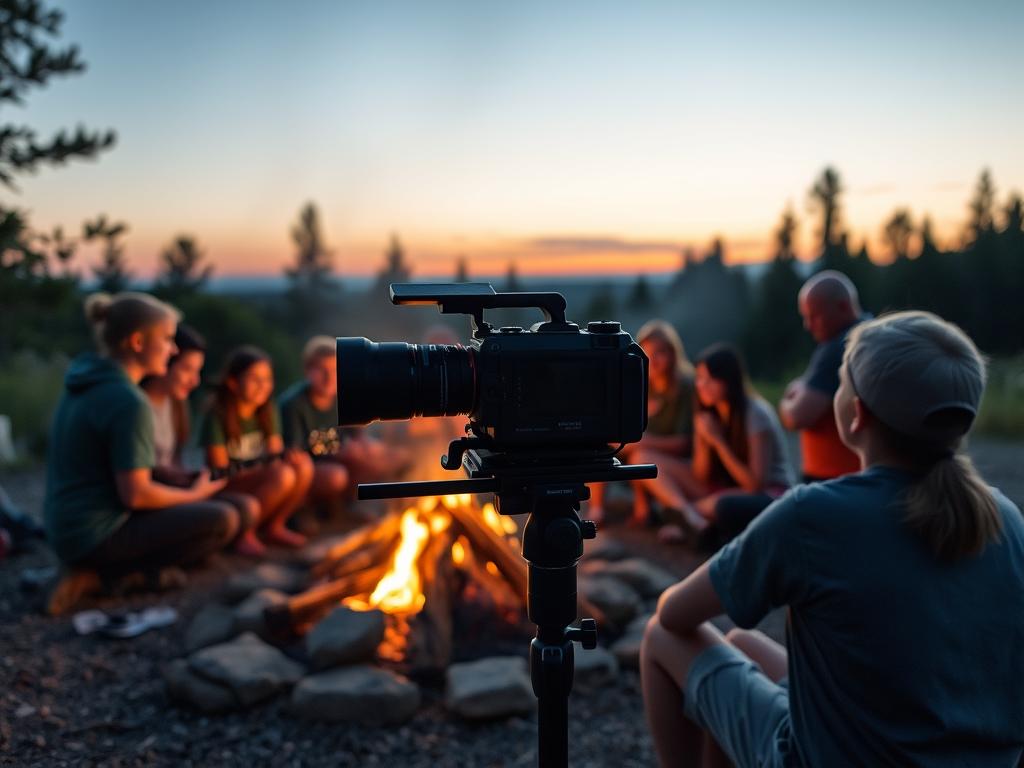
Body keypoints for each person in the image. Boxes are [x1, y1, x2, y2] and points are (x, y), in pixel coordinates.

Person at [641, 311, 1024, 767]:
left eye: (841, 381)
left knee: (658, 634)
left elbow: (677, 612)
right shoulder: (1005, 517)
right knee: (742, 643)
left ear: (856, 413)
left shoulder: (813, 516)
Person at [44, 293, 234, 615]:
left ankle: (100, 571)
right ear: (137, 341)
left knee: (220, 519)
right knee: (221, 520)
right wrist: (194, 495)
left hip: (64, 530)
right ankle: (103, 578)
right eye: (167, 339)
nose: (173, 349)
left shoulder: (84, 380)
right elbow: (136, 495)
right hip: (96, 534)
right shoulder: (129, 401)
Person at [635, 344, 792, 544]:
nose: (702, 385)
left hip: (768, 494)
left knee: (720, 505)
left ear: (728, 380)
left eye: (710, 379)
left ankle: (690, 519)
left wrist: (717, 441)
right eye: (699, 378)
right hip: (725, 487)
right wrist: (704, 440)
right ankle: (693, 518)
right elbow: (702, 476)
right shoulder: (709, 413)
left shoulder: (756, 415)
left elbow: (755, 484)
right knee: (643, 459)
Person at [140, 325, 261, 553]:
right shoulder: (137, 408)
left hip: (172, 490)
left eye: (198, 372)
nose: (195, 381)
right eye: (187, 369)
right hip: (151, 501)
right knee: (225, 518)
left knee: (247, 508)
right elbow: (140, 484)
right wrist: (193, 493)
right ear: (164, 360)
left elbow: (173, 463)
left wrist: (192, 478)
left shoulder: (176, 405)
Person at [200, 345, 313, 550]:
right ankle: (245, 531)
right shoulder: (218, 414)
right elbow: (220, 471)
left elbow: (274, 453)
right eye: (254, 379)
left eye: (267, 379)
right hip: (224, 486)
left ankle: (274, 526)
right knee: (283, 475)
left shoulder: (267, 411)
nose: (263, 385)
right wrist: (265, 468)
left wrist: (286, 458)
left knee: (302, 466)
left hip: (255, 476)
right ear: (233, 383)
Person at [588, 320, 695, 525]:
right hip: (641, 451)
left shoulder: (686, 386)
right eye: (648, 354)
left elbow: (685, 443)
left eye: (660, 353)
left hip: (675, 460)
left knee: (639, 453)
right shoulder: (640, 382)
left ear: (673, 353)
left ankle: (645, 508)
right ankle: (597, 507)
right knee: (603, 446)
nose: (654, 361)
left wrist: (643, 442)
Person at [779, 270, 865, 481]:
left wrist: (786, 401)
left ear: (843, 307)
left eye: (814, 317)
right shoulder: (869, 335)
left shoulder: (839, 348)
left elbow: (798, 416)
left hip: (834, 476)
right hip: (856, 472)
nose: (808, 326)